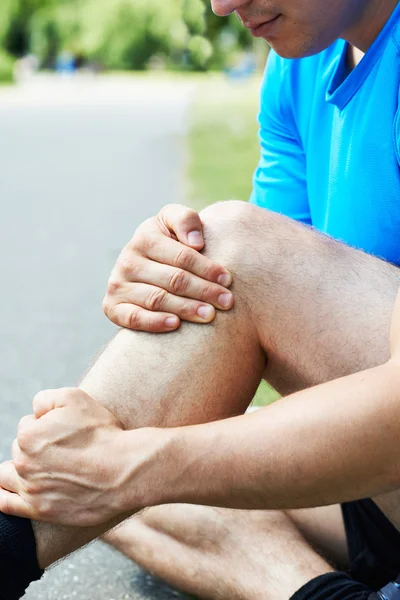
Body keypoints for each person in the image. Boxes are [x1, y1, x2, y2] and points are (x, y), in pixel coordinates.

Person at [1, 1, 400, 600]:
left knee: (118, 468)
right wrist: (174, 269)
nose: (221, 4)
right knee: (84, 478)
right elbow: (252, 300)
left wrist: (132, 465)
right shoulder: (297, 69)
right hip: (378, 480)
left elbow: (256, 263)